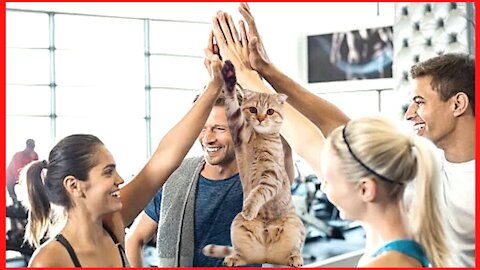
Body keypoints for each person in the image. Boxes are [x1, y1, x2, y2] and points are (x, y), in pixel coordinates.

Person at [220, 3, 475, 267]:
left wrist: (248, 78)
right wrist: (263, 72)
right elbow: (341, 133)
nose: (410, 114)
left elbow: (338, 140)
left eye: (420, 102)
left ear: (457, 104)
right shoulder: (425, 162)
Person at [21, 46, 225, 267]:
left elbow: (164, 158)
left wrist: (214, 86)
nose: (119, 179)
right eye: (108, 171)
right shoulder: (50, 260)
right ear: (74, 185)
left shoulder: (112, 223)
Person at [125, 32, 294, 267]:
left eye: (218, 129)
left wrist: (250, 71)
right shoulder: (176, 176)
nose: (208, 138)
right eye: (203, 129)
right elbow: (134, 239)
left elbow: (285, 135)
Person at [6, 139, 39, 204]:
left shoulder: (34, 155)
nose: (31, 149)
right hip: (11, 179)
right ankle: (16, 205)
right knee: (15, 199)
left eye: (32, 147)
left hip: (25, 178)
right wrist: (23, 184)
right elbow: (17, 171)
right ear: (26, 146)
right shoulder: (18, 156)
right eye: (29, 147)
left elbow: (36, 169)